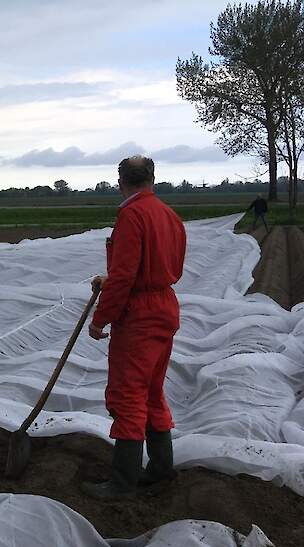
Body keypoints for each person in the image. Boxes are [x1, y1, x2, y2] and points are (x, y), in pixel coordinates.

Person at [83, 155, 186, 500]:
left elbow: (127, 276)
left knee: (128, 395)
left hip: (139, 315)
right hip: (164, 307)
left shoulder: (131, 215)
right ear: (152, 179)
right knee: (153, 389)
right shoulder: (168, 215)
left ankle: (122, 483)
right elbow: (152, 268)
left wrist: (101, 318)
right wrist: (110, 279)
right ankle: (160, 467)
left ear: (120, 182)